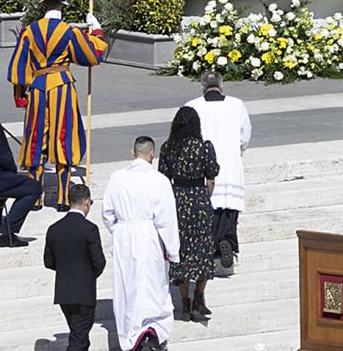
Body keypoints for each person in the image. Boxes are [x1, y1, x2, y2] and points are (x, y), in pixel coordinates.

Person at [7, 0, 108, 207]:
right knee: (64, 138)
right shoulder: (69, 32)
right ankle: (63, 198)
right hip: (61, 86)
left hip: (37, 88)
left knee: (35, 140)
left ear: (44, 4)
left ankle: (34, 198)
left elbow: (20, 65)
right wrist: (96, 31)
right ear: (63, 5)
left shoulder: (30, 31)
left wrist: (20, 95)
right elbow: (91, 56)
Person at [103, 134, 180, 351]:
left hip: (124, 236)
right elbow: (166, 219)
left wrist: (118, 231)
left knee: (127, 286)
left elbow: (107, 213)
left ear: (133, 152)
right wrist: (173, 250)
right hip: (149, 237)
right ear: (152, 154)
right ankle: (152, 331)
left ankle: (132, 334)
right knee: (152, 285)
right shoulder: (159, 180)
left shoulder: (117, 178)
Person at [182, 71, 250, 277]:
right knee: (228, 210)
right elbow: (245, 136)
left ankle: (211, 249)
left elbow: (186, 136)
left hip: (203, 166)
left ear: (203, 87)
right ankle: (227, 241)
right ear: (222, 86)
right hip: (230, 165)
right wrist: (236, 152)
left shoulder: (192, 106)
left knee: (207, 210)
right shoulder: (237, 105)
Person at [158, 105, 220, 321]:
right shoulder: (204, 147)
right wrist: (204, 198)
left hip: (177, 201)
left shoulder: (168, 148)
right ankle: (199, 296)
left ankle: (184, 302)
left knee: (181, 251)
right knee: (203, 249)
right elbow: (211, 177)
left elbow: (163, 178)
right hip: (199, 199)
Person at [44, 180, 104, 351]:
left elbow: (48, 262)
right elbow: (99, 262)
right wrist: (86, 275)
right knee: (79, 339)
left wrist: (67, 269)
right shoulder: (90, 228)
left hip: (64, 293)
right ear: (86, 201)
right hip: (83, 293)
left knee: (80, 335)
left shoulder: (54, 229)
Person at [0, 105, 43, 247]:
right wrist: (11, 173)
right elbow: (3, 157)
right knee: (33, 188)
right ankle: (7, 232)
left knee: (6, 183)